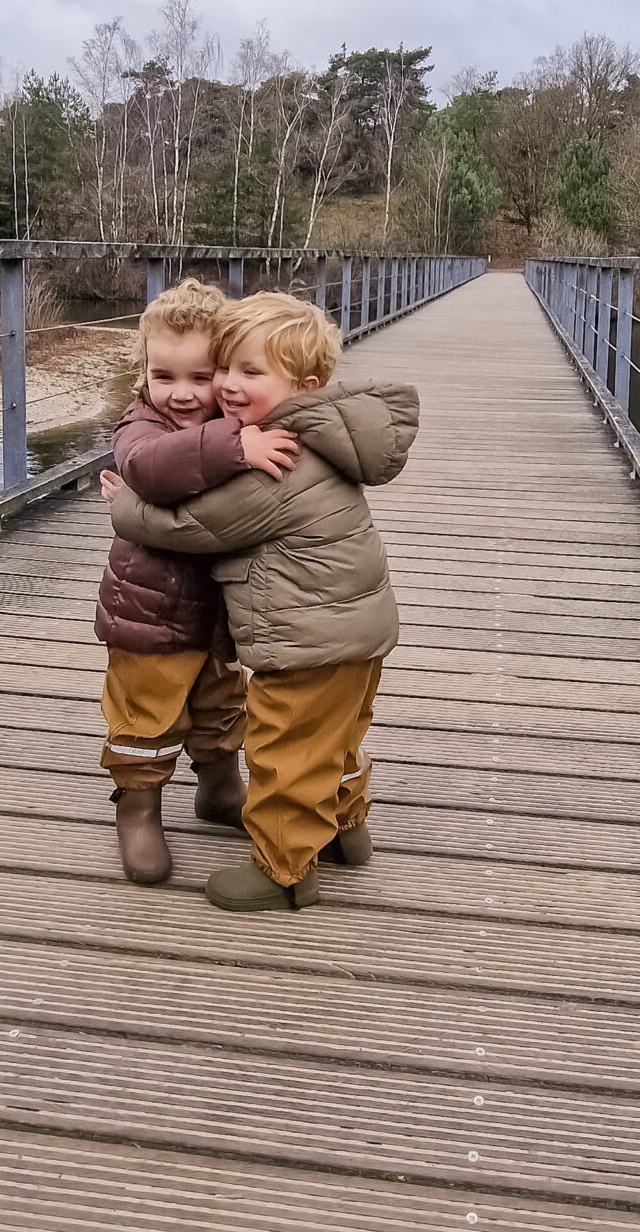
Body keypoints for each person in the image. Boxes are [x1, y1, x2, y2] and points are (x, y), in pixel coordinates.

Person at [107, 290, 418, 913]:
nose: (224, 386)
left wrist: (124, 507)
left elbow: (188, 526)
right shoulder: (326, 431)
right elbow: (146, 451)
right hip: (357, 628)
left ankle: (283, 869)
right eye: (226, 368)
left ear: (304, 384)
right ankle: (347, 831)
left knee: (286, 748)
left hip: (306, 640)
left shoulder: (278, 458)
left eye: (248, 372)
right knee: (340, 736)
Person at [94, 277, 299, 886]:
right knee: (145, 713)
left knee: (220, 702)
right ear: (144, 374)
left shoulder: (245, 420)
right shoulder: (142, 428)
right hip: (151, 611)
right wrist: (237, 446)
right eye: (164, 376)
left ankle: (217, 787)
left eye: (200, 376)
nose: (181, 394)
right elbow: (149, 471)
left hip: (222, 609)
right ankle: (137, 809)